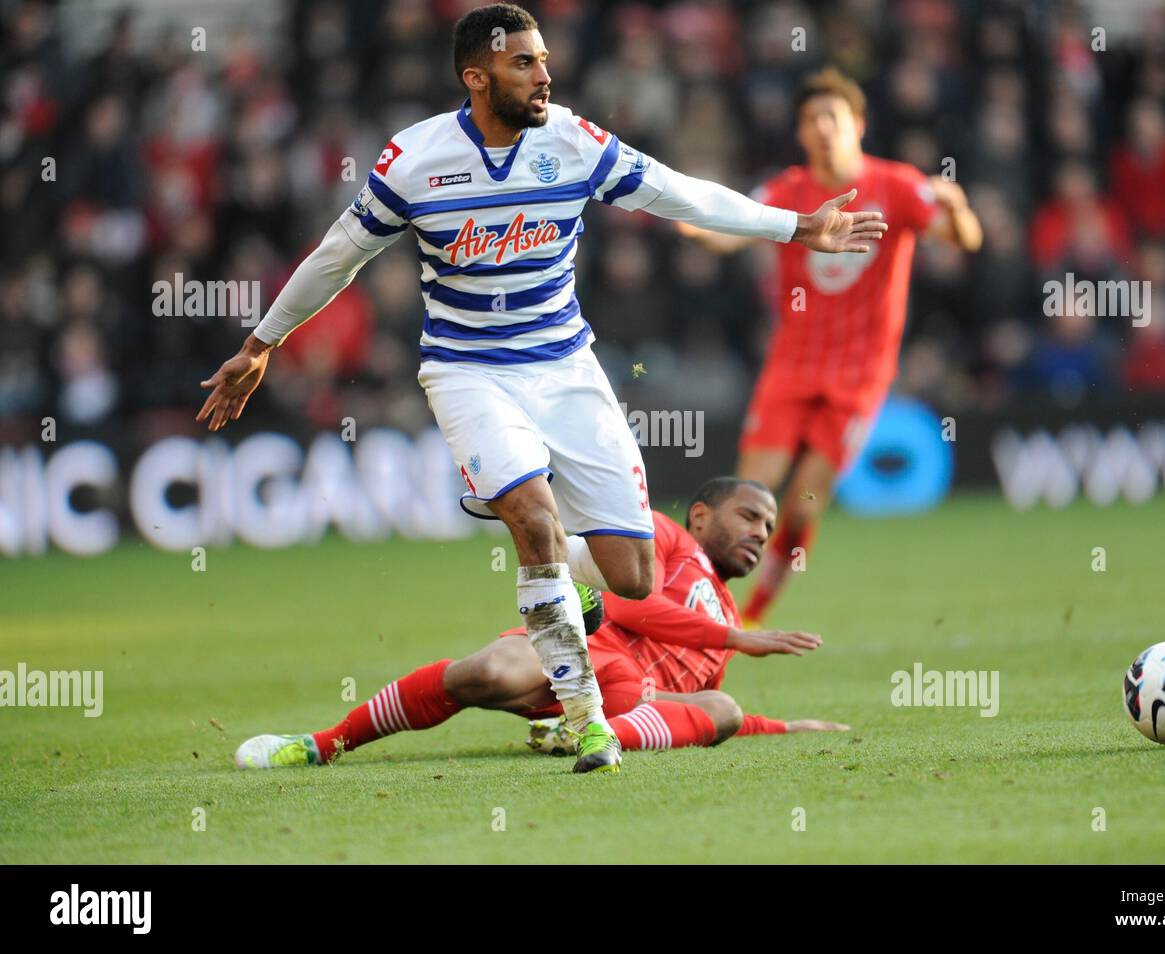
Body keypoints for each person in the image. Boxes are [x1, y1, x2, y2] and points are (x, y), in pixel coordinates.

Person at [197, 7, 886, 774]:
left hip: (565, 370)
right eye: (524, 63)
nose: (544, 75)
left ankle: (561, 584)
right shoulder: (413, 161)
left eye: (545, 59)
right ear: (476, 75)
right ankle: (587, 717)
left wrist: (795, 228)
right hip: (469, 371)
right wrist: (261, 344)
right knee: (534, 519)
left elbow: (679, 193)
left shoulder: (572, 142)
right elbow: (337, 257)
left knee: (632, 576)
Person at [233, 477, 848, 769]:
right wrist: (733, 638)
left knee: (727, 709)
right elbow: (629, 604)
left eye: (768, 528)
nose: (760, 534)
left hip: (638, 701)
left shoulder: (730, 611)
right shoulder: (661, 536)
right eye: (748, 517)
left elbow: (692, 714)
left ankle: (587, 736)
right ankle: (322, 743)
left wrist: (783, 725)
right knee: (485, 673)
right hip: (588, 648)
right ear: (701, 515)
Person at [679, 66, 982, 625]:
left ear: (857, 125)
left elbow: (965, 239)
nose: (822, 127)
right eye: (810, 118)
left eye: (831, 116)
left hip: (861, 374)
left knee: (805, 501)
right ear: (799, 131)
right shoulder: (786, 191)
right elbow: (733, 228)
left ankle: (753, 614)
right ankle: (698, 606)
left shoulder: (897, 186)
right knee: (748, 495)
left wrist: (959, 207)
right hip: (792, 366)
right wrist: (697, 226)